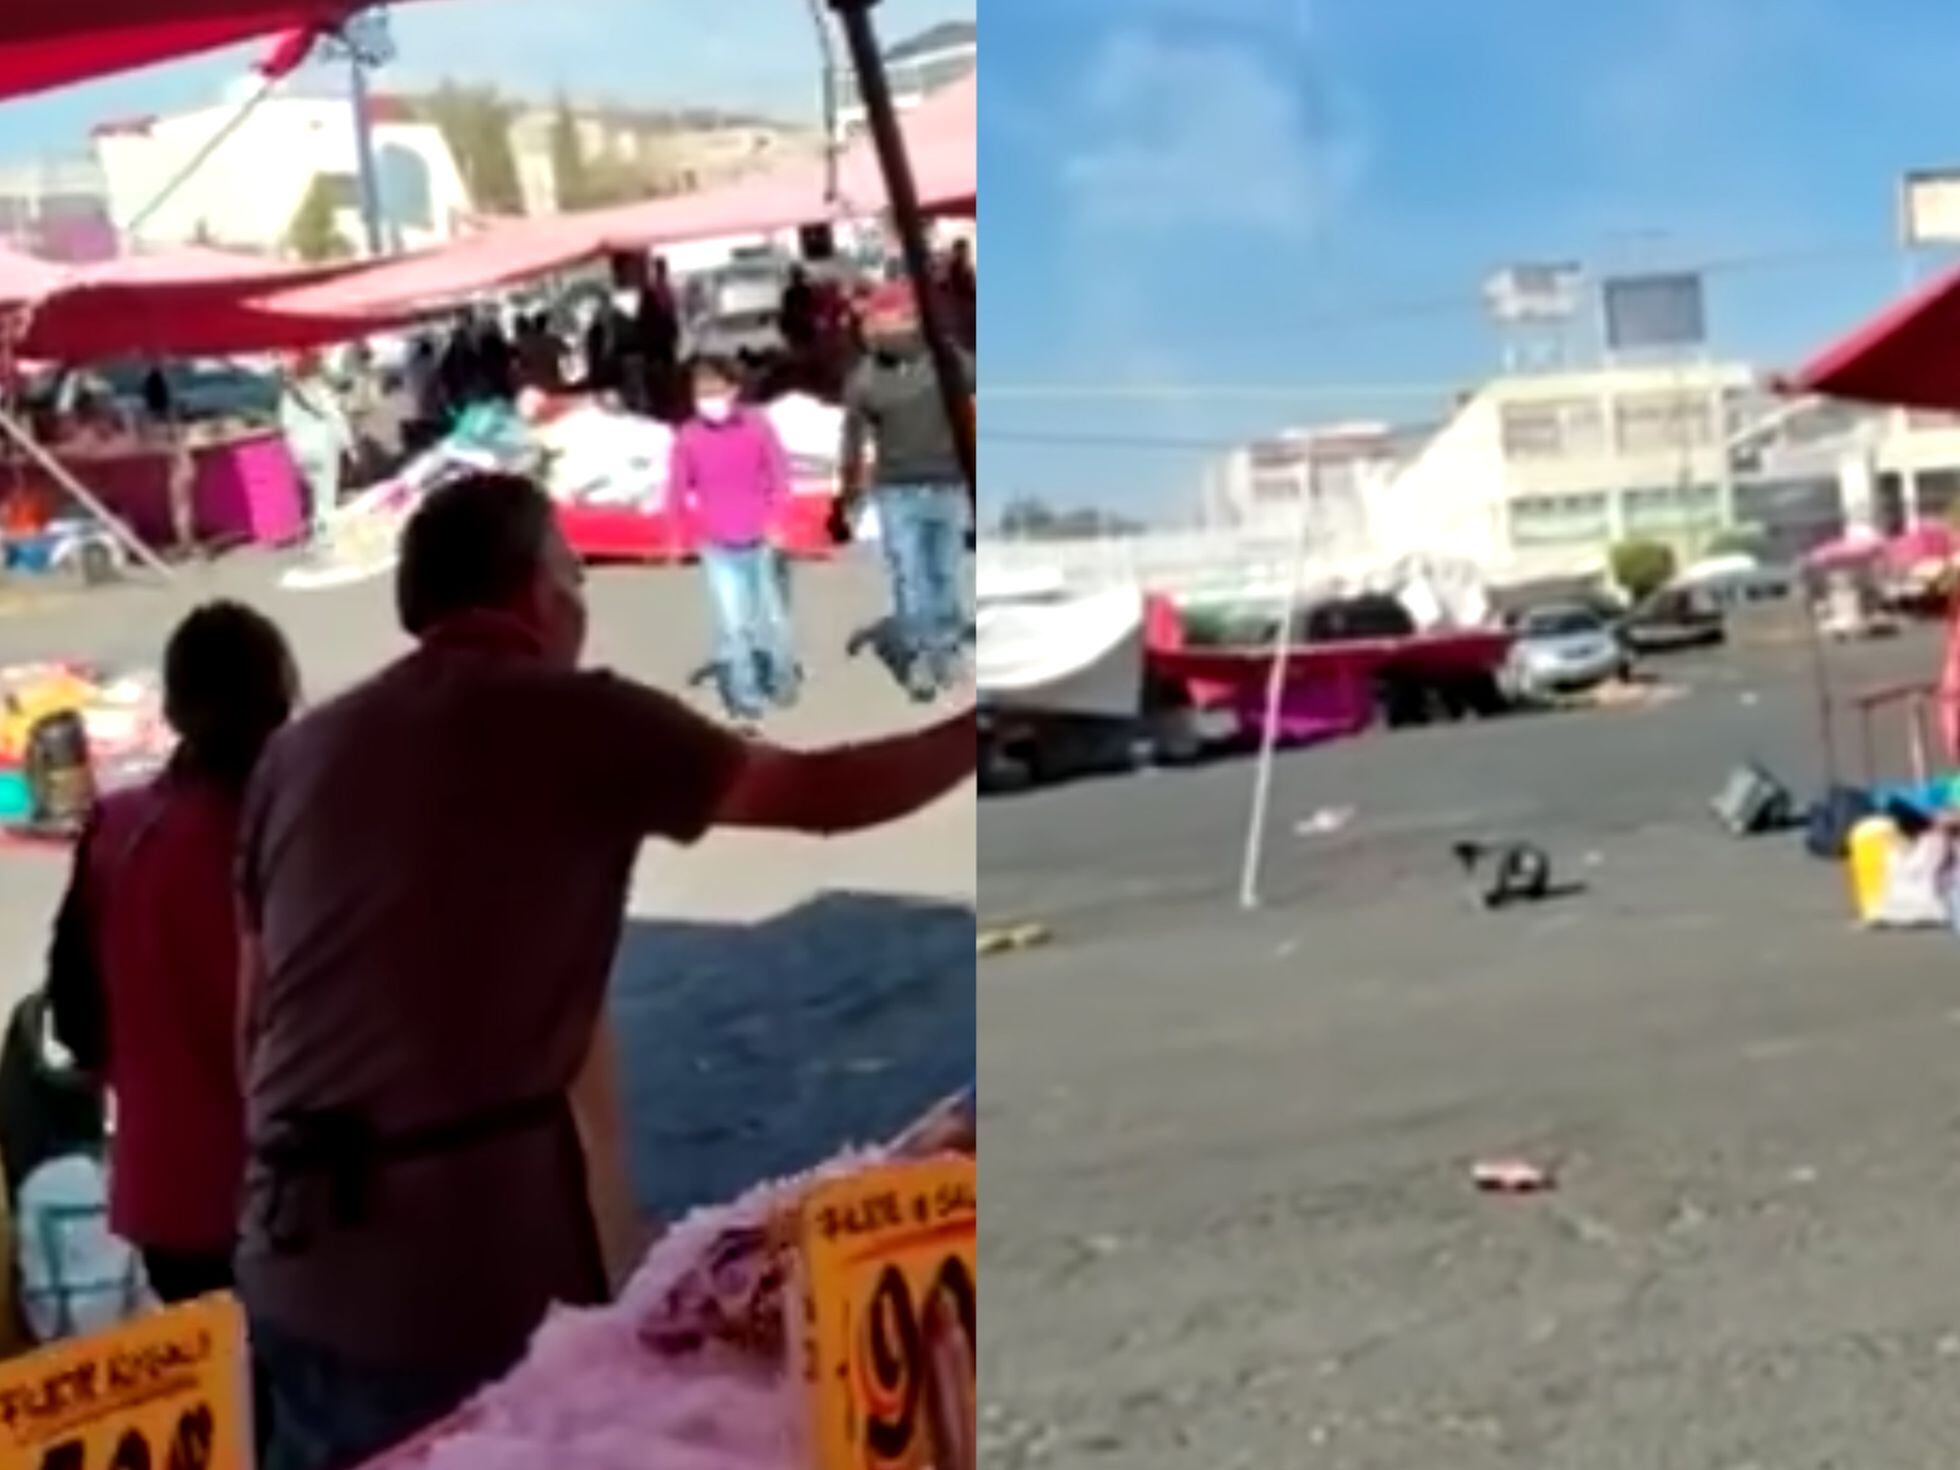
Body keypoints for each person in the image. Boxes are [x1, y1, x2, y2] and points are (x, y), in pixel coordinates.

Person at [236, 473, 974, 1470]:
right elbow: (822, 790)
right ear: (536, 592)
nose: (583, 601)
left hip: (286, 1262)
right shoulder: (578, 719)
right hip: (452, 1276)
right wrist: (978, 728)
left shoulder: (298, 752)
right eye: (574, 574)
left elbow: (256, 1020)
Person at [47, 603, 298, 1305]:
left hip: (163, 1193)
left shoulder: (118, 830)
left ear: (176, 706)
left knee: (221, 1399)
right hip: (284, 1195)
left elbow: (74, 1014)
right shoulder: (288, 837)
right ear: (278, 701)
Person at [840, 281, 974, 701]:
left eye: (889, 322)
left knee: (946, 576)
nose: (879, 332)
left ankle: (947, 651)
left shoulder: (947, 361)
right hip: (896, 492)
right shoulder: (864, 380)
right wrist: (850, 494)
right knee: (909, 578)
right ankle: (918, 658)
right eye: (874, 325)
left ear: (912, 321)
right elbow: (853, 441)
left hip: (949, 486)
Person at [669, 357, 799, 726]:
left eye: (714, 392)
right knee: (733, 624)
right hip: (717, 543)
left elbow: (779, 473)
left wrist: (777, 521)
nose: (707, 400)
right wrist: (678, 535)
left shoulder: (756, 426)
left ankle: (783, 678)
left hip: (761, 538)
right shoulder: (689, 436)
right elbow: (677, 488)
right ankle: (746, 699)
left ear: (733, 391)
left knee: (774, 618)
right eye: (700, 393)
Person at [278, 354, 352, 541]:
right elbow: (336, 418)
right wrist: (349, 446)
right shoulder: (320, 390)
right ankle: (327, 536)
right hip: (323, 445)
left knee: (316, 494)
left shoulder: (288, 396)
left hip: (300, 449)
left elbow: (285, 426)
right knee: (326, 495)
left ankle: (320, 531)